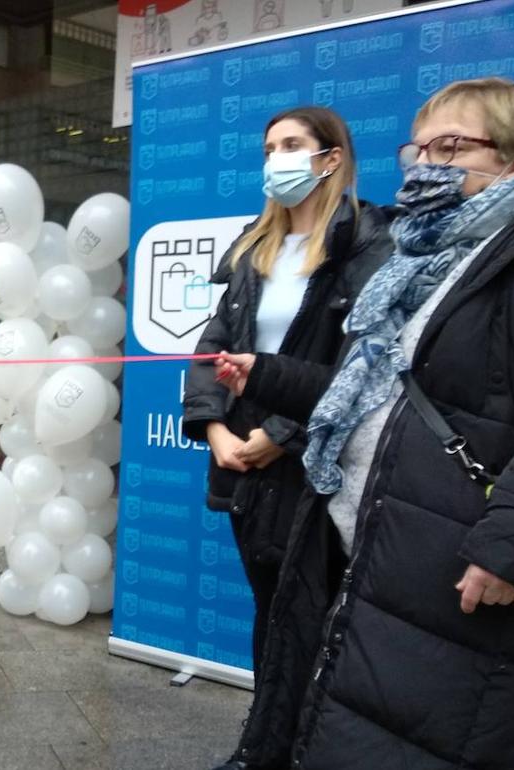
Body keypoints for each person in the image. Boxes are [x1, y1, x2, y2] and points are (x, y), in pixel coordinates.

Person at [212, 78, 514, 769]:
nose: (427, 163)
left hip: (456, 557)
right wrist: (271, 376)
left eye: (452, 146)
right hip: (371, 535)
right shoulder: (424, 261)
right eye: (420, 148)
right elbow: (374, 392)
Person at [183, 106, 392, 685]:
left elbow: (361, 367)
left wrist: (280, 436)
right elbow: (213, 344)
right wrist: (216, 430)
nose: (277, 159)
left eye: (292, 145)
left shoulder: (366, 241)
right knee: (272, 612)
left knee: (321, 620)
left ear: (331, 158)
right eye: (269, 149)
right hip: (247, 466)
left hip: (320, 465)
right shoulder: (255, 246)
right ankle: (266, 738)